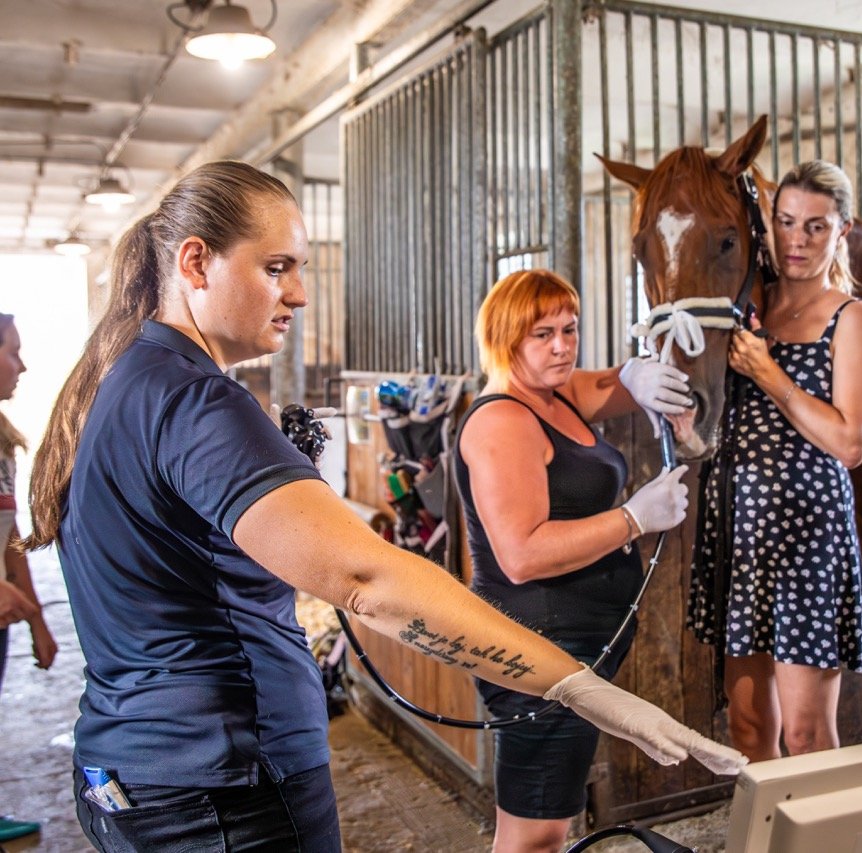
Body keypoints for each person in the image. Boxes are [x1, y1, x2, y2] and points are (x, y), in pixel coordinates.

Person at [23, 160, 744, 853]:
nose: (299, 294)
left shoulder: (132, 380)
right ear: (194, 264)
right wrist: (580, 687)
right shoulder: (198, 400)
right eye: (276, 268)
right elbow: (368, 581)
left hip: (143, 763)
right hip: (224, 773)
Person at [455, 268, 694, 853]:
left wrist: (640, 370)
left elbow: (612, 385)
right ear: (505, 340)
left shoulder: (552, 391)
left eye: (570, 328)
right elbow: (521, 555)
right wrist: (633, 519)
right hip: (540, 649)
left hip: (574, 643)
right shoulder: (503, 420)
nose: (562, 346)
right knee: (535, 833)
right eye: (542, 334)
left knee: (547, 818)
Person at [687, 159, 862, 762]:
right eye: (787, 222)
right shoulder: (748, 307)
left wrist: (770, 374)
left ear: (843, 231)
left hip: (807, 541)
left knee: (805, 734)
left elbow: (851, 443)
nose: (797, 241)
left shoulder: (851, 318)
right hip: (740, 536)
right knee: (746, 728)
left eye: (817, 227)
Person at [0, 313, 57, 845]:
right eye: (12, 351)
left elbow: (9, 530)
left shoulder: (3, 438)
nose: (22, 364)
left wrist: (38, 617)